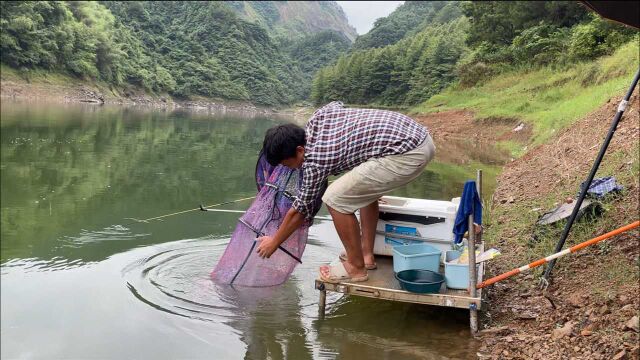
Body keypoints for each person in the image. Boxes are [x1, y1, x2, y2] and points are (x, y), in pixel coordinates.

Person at [256, 101, 435, 283]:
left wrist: (274, 242)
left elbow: (300, 210)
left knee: (334, 198)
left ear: (300, 150)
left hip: (407, 153)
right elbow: (336, 104)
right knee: (358, 189)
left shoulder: (315, 162)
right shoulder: (318, 119)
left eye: (288, 164)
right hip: (420, 137)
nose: (292, 169)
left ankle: (355, 268)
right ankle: (366, 256)